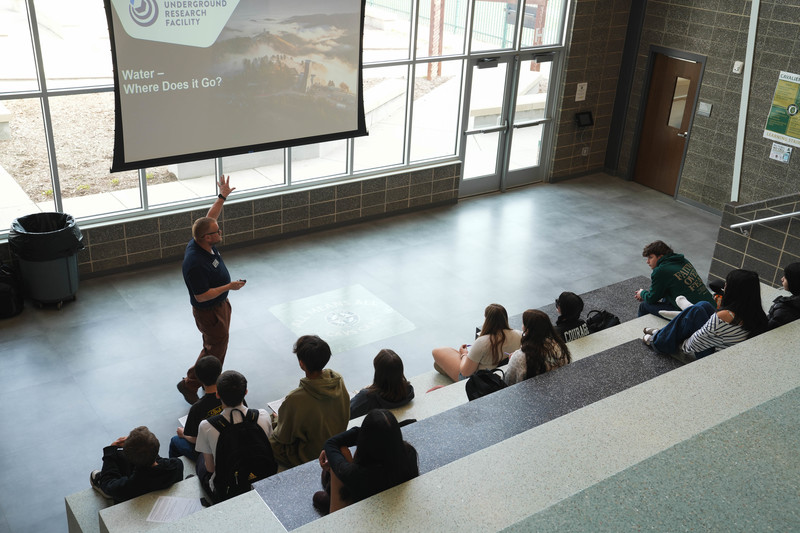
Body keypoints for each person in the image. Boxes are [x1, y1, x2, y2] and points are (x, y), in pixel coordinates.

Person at [178, 175, 247, 405]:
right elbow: (202, 295)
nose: (220, 232)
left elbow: (210, 217)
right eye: (217, 232)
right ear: (207, 238)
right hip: (210, 310)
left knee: (214, 346)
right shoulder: (194, 263)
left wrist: (222, 197)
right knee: (214, 351)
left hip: (219, 304)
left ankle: (194, 380)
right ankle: (192, 383)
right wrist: (229, 286)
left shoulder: (199, 238)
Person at [642, 269, 768, 359]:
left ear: (735, 290)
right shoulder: (755, 312)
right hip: (723, 347)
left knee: (696, 311)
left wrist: (679, 341)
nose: (724, 286)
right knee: (703, 305)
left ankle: (658, 340)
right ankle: (664, 332)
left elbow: (692, 345)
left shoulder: (725, 316)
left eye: (727, 284)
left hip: (712, 357)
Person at [313, 409, 419, 515]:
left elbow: (330, 443)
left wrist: (364, 432)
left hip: (357, 502)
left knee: (341, 452)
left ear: (364, 439)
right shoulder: (409, 453)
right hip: (388, 494)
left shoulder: (356, 473)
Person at [269, 335, 350, 469]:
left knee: (270, 441)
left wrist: (277, 420)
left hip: (311, 455)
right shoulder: (337, 380)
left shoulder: (295, 399)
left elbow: (283, 437)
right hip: (335, 443)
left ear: (301, 363)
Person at [194, 370, 275, 500]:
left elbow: (210, 469)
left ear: (217, 394)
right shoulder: (262, 415)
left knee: (200, 460)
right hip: (263, 477)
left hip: (229, 489)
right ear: (246, 393)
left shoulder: (206, 426)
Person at [89, 426, 183, 504]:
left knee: (118, 458)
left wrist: (110, 452)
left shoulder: (130, 485)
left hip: (131, 491)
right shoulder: (176, 465)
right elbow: (157, 459)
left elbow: (108, 484)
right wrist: (146, 448)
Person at [432, 303, 522, 381]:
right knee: (439, 363)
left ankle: (446, 370)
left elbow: (465, 372)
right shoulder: (518, 335)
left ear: (487, 319)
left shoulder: (483, 342)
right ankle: (445, 369)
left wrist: (464, 354)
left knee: (437, 351)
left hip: (477, 378)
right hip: (499, 372)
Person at [634, 240, 715, 317]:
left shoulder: (660, 271)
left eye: (650, 257)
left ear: (660, 257)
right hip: (711, 307)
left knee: (644, 306)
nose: (647, 261)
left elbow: (652, 298)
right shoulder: (682, 260)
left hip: (696, 313)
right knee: (667, 293)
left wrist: (642, 293)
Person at [170, 356, 224, 461]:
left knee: (175, 440)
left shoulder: (197, 408)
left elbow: (195, 439)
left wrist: (184, 434)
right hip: (230, 441)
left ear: (199, 380)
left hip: (211, 451)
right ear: (220, 373)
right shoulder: (230, 395)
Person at [505, 309, 572, 386]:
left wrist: (513, 360)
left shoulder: (519, 357)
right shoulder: (558, 346)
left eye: (523, 324)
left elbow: (508, 382)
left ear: (528, 329)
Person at [349, 349, 415, 420]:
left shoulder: (367, 397)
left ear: (378, 373)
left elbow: (346, 413)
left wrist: (362, 394)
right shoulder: (407, 391)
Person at [767, 262, 800, 330]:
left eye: (786, 277)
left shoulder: (783, 311)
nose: (782, 279)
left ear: (794, 282)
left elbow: (768, 328)